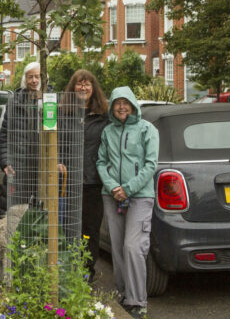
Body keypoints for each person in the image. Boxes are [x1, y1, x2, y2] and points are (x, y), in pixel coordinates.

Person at [96, 87, 159, 319]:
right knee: (118, 248)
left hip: (140, 196)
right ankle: (123, 295)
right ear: (112, 106)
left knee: (133, 247)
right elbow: (101, 162)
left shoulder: (147, 130)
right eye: (117, 103)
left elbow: (151, 164)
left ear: (133, 105)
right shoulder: (108, 131)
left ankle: (138, 301)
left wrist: (129, 188)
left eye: (126, 102)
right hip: (112, 195)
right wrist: (113, 187)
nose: (121, 106)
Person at [64, 69, 109, 278]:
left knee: (90, 228)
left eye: (87, 84)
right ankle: (68, 267)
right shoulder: (64, 112)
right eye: (79, 84)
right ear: (73, 88)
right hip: (68, 182)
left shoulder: (103, 116)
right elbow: (53, 141)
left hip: (93, 181)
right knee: (68, 227)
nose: (83, 88)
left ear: (93, 88)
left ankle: (87, 269)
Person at [0, 61, 42, 211]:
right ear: (25, 79)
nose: (34, 80)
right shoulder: (14, 101)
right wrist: (5, 162)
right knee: (12, 209)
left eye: (37, 76)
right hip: (17, 165)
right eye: (30, 77)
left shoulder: (51, 101)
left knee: (38, 210)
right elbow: (4, 135)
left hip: (41, 167)